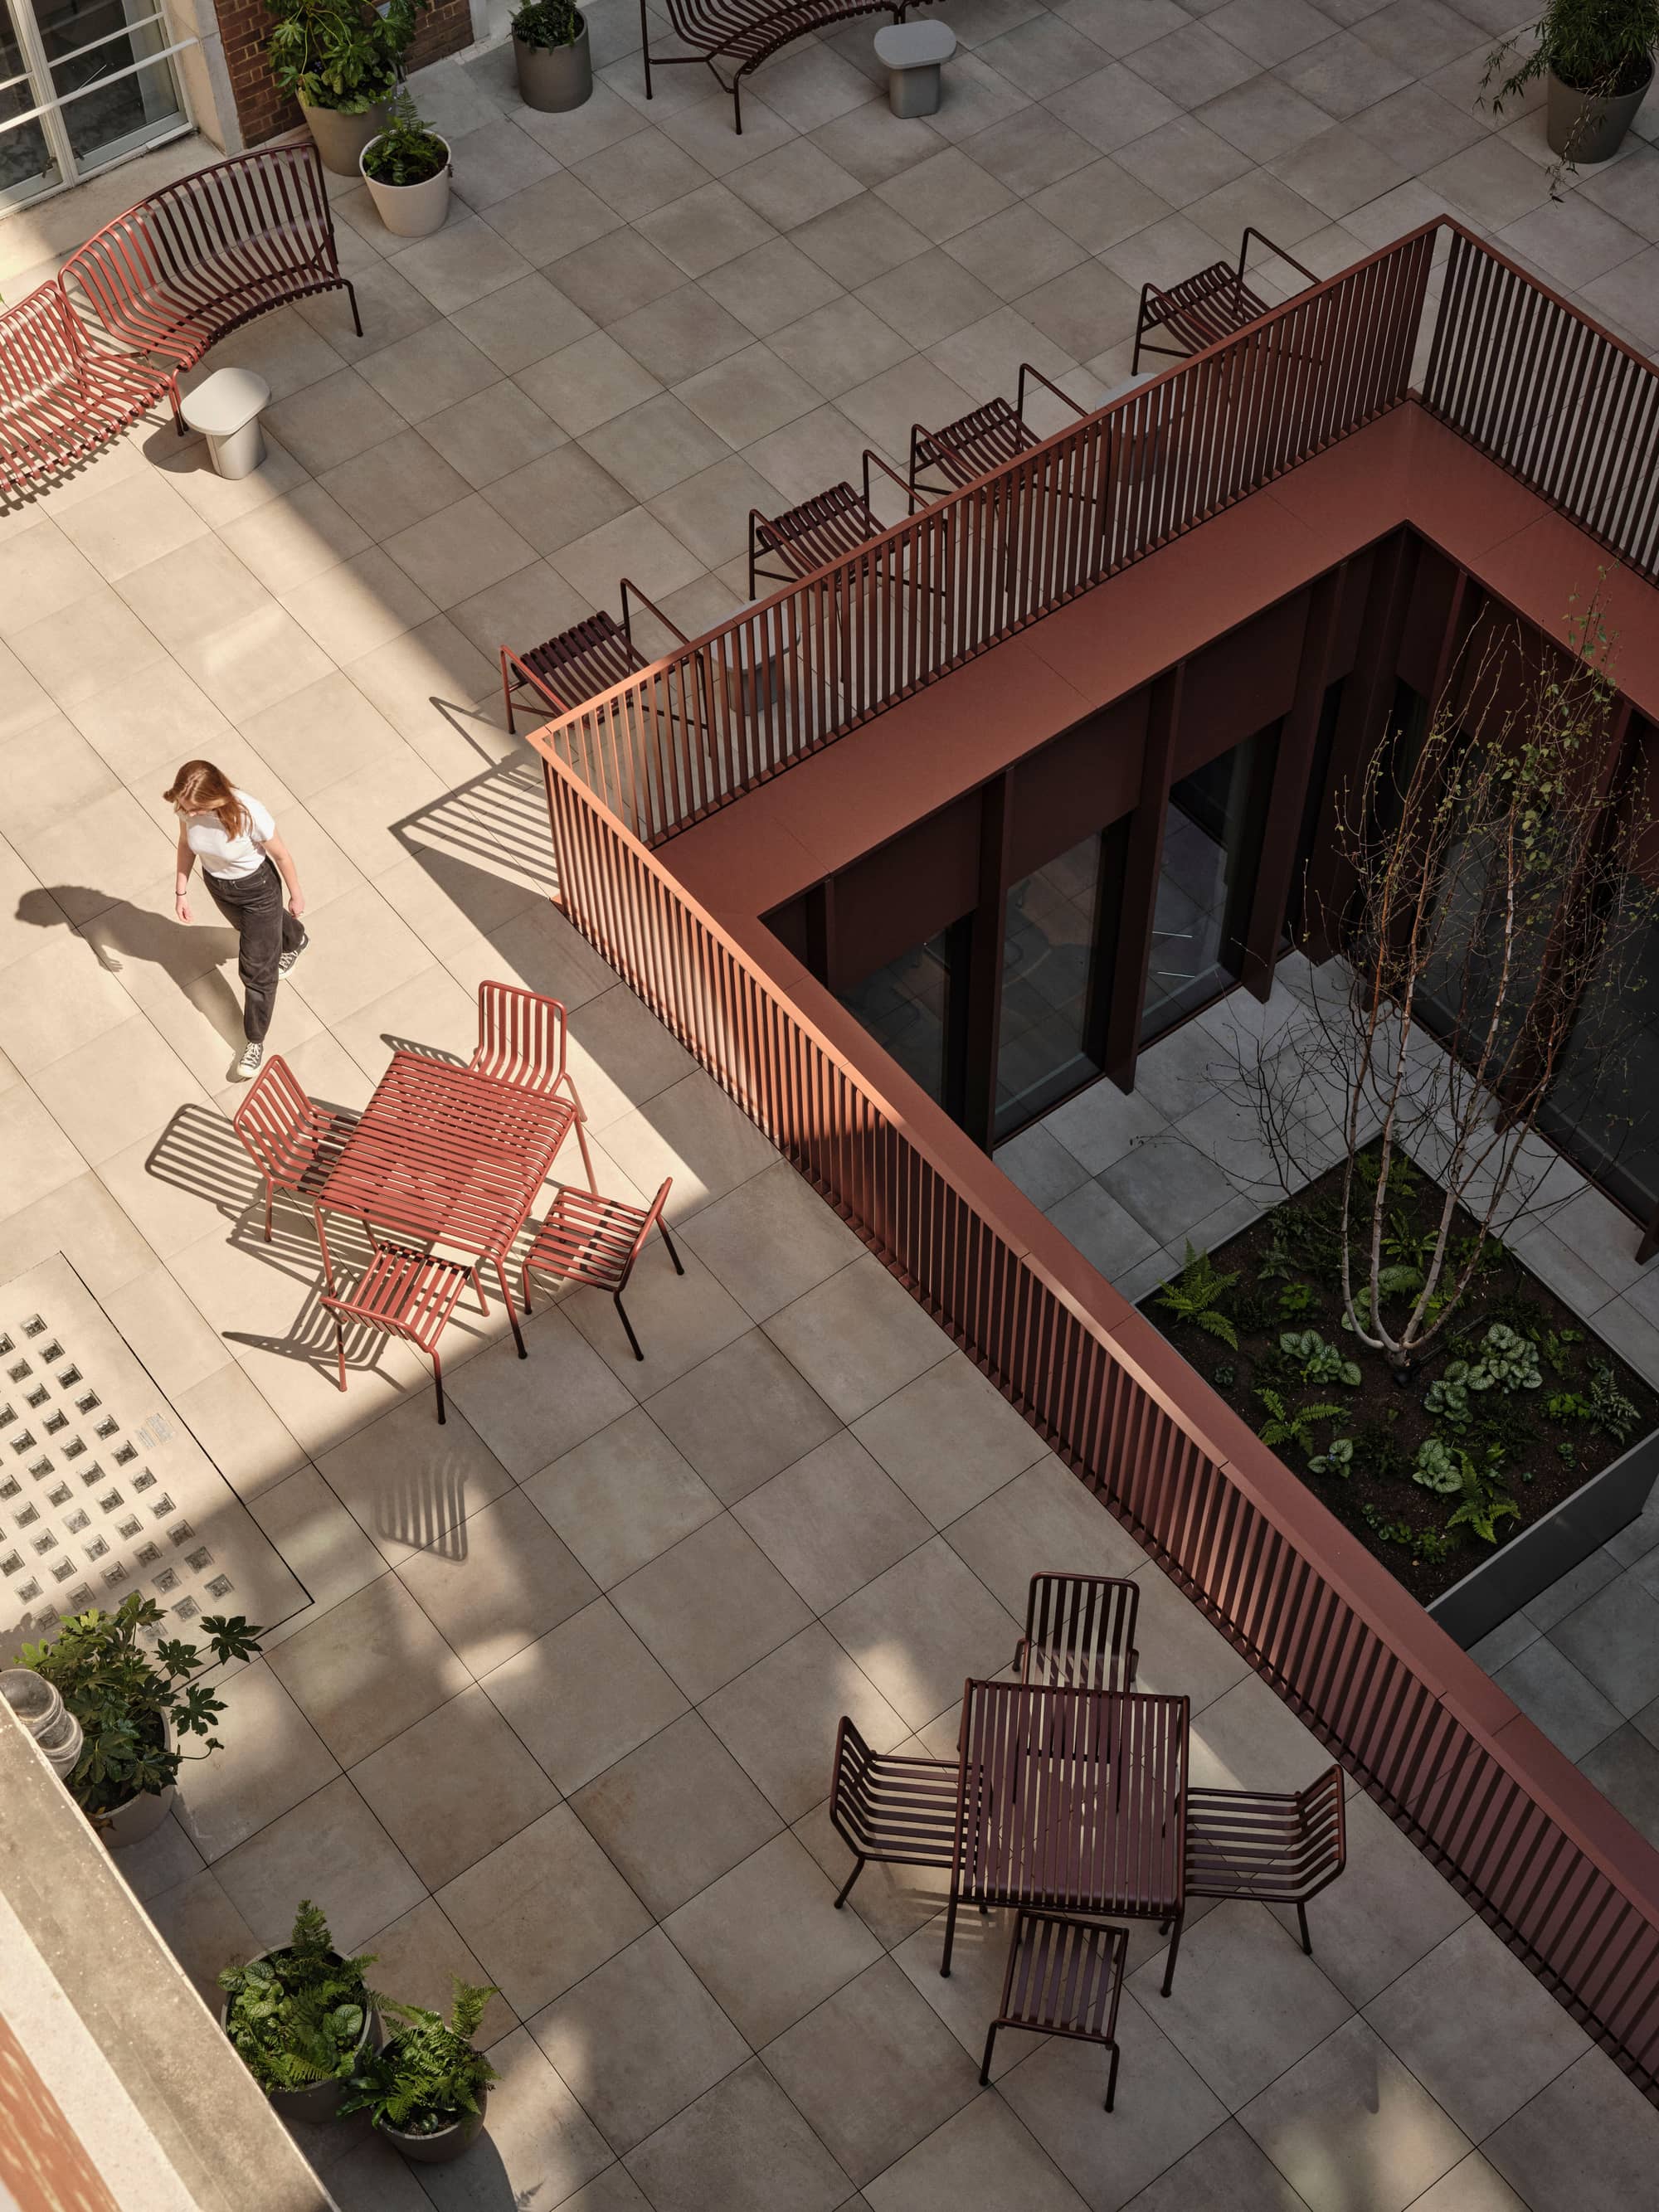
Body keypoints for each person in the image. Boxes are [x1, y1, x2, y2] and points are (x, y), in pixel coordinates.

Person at [168, 760, 307, 1079]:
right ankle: (295, 938)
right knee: (251, 931)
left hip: (258, 889)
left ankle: (254, 1042)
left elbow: (281, 855)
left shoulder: (248, 813)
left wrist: (296, 894)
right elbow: (187, 845)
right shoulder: (184, 807)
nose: (188, 814)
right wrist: (181, 890)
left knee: (256, 971)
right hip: (218, 885)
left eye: (195, 809)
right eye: (185, 808)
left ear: (215, 799)